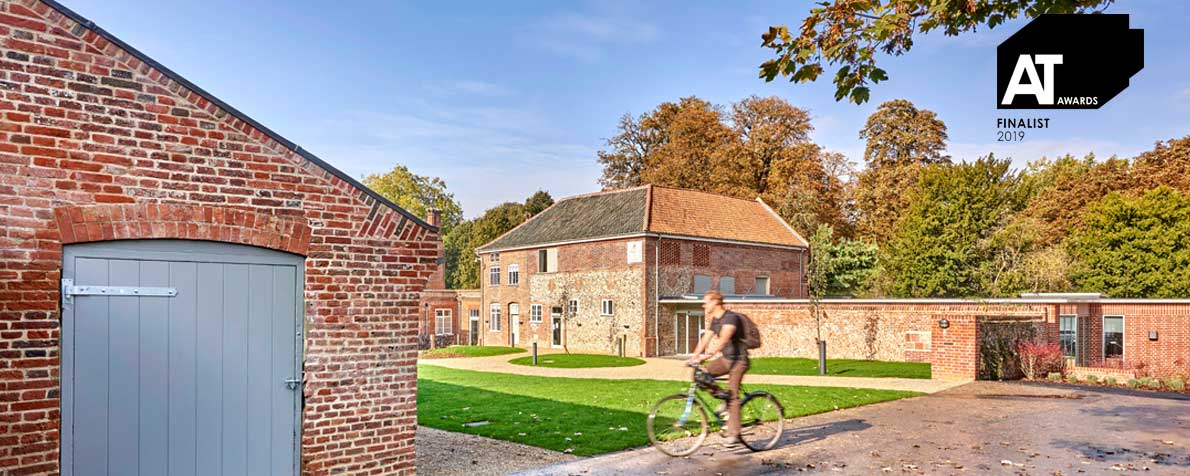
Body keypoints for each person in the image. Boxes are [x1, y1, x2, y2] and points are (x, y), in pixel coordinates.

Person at [685, 290, 750, 444]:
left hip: (739, 361)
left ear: (715, 302)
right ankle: (723, 398)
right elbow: (705, 339)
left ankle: (734, 434)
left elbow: (723, 339)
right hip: (726, 359)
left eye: (706, 302)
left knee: (733, 395)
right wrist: (694, 357)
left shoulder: (730, 318)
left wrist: (706, 356)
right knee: (701, 376)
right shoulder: (715, 319)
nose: (703, 305)